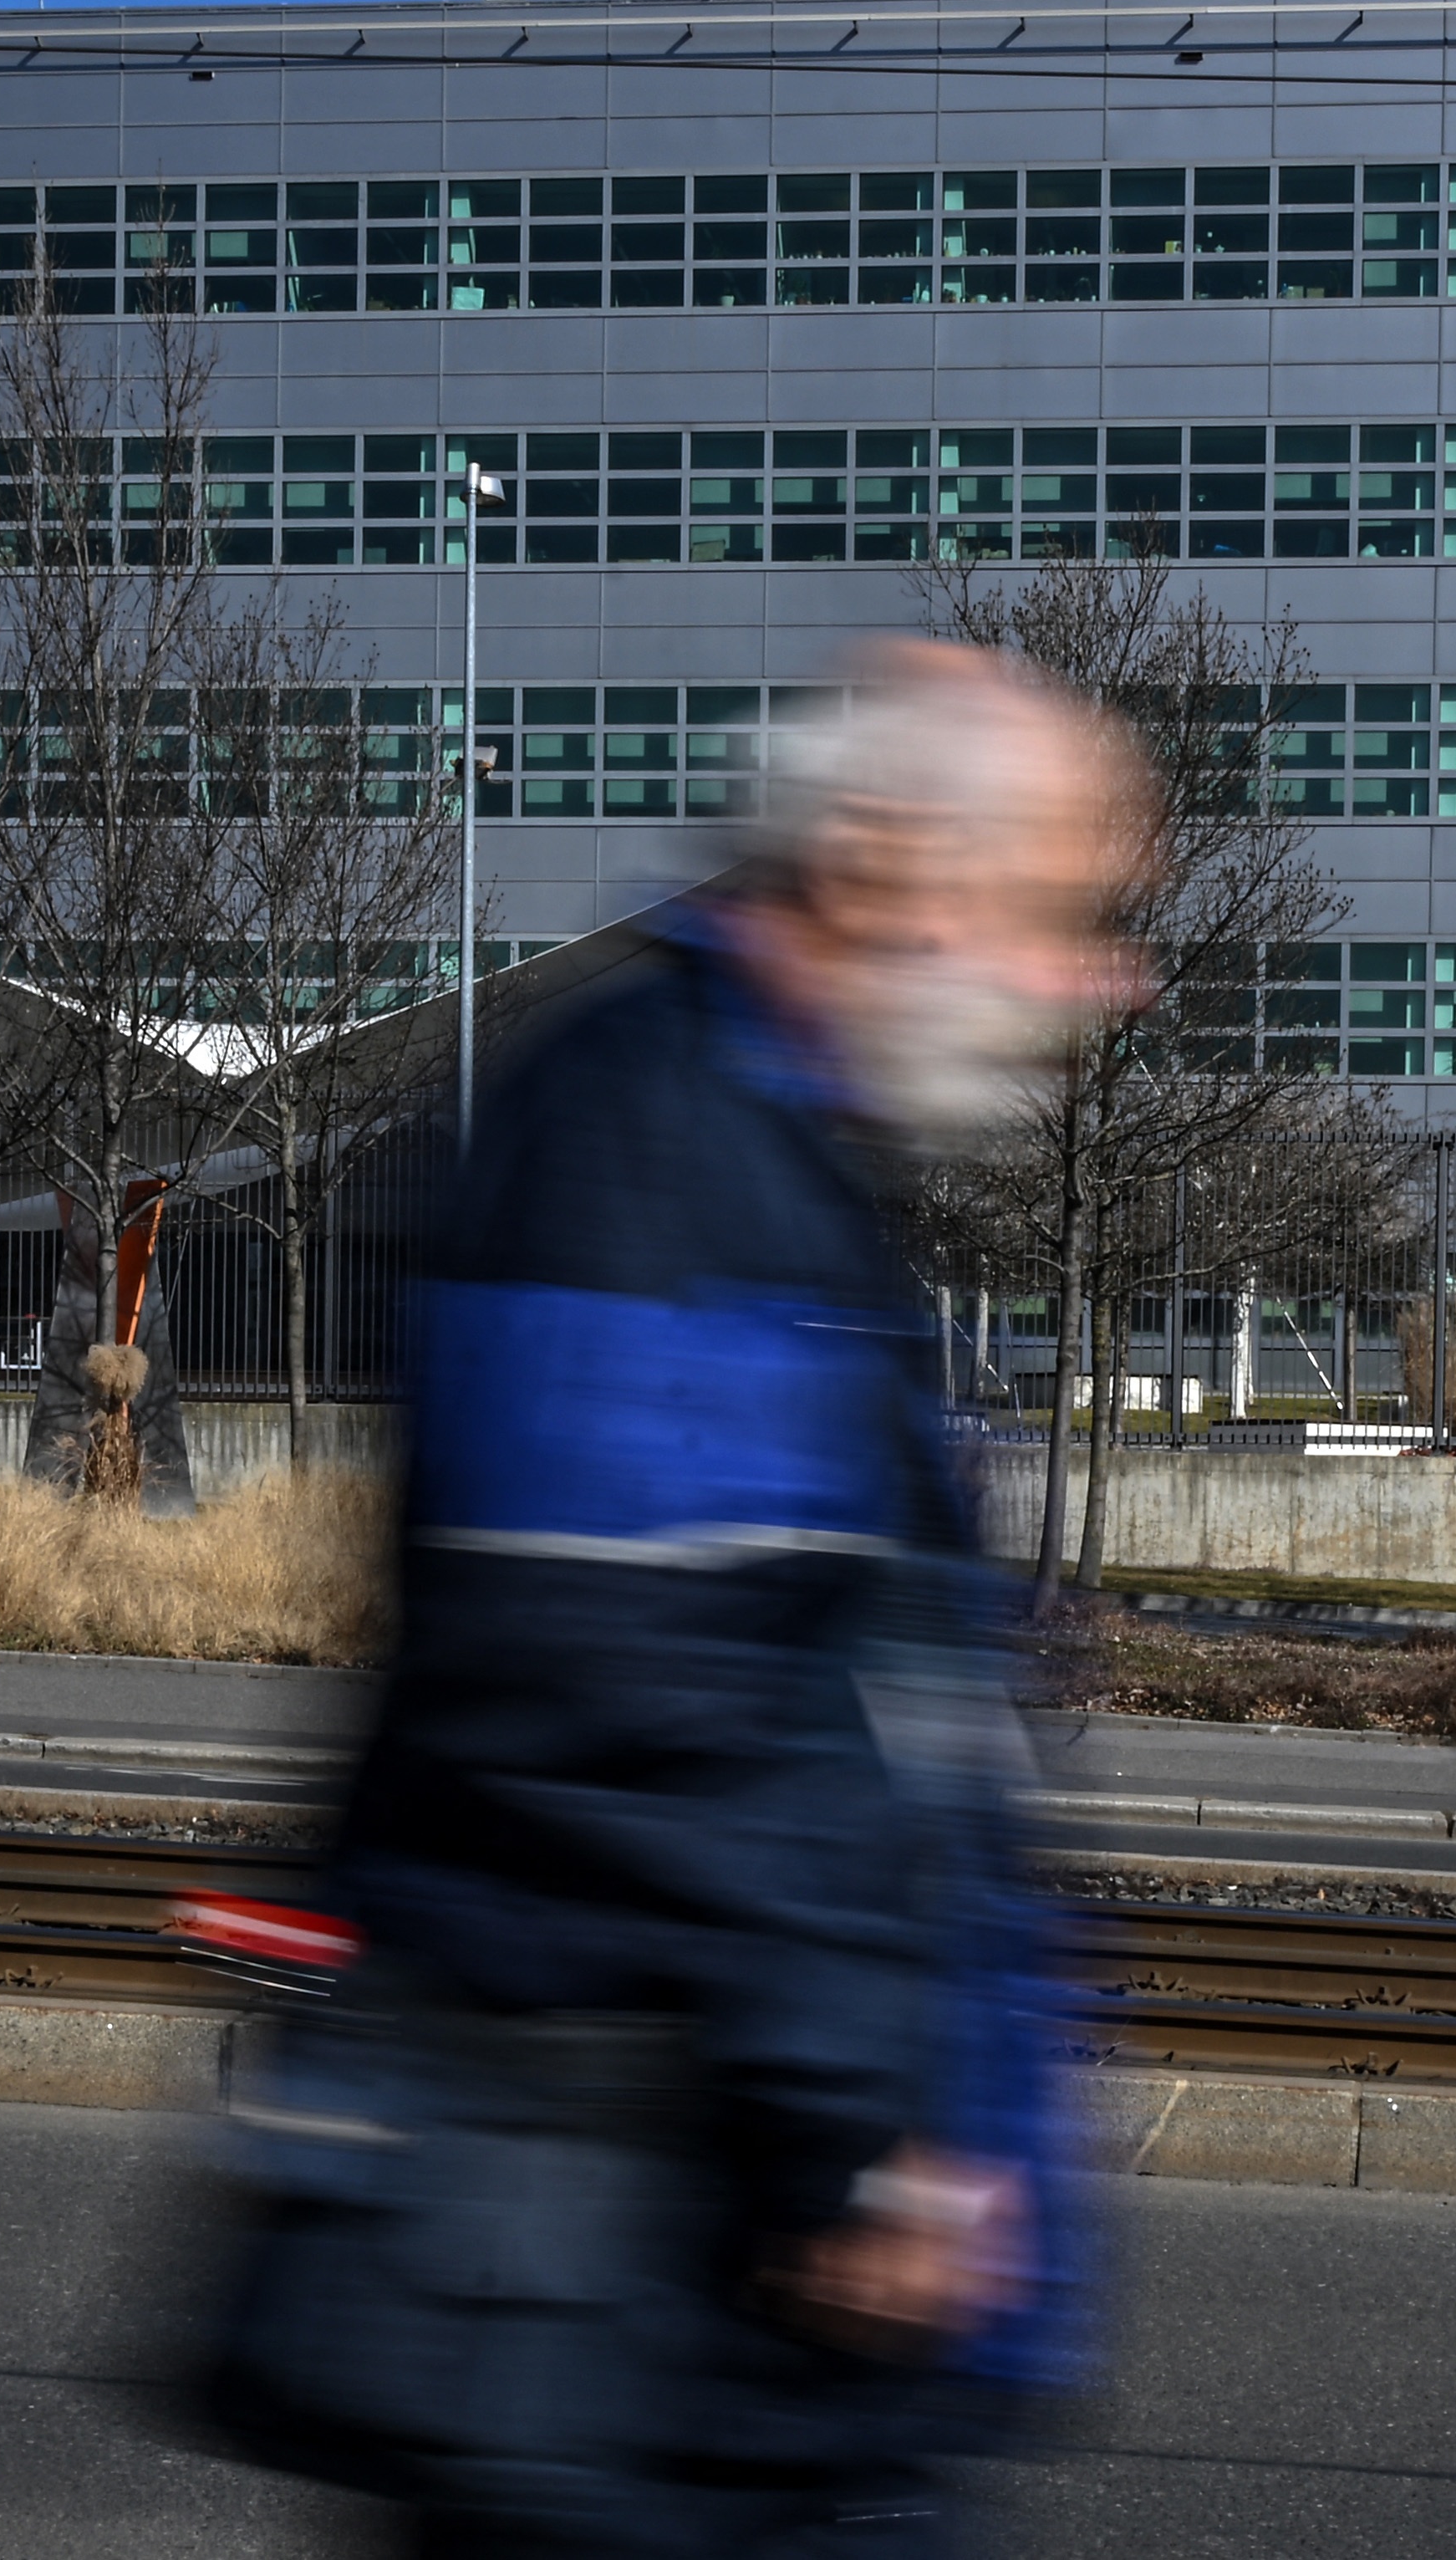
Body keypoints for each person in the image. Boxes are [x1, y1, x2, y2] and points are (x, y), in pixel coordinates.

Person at [284, 639, 1141, 2553]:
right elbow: (617, 1695)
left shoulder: (757, 1144)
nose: (1100, 980)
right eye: (1059, 913)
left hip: (720, 2278)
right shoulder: (646, 1145)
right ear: (883, 860)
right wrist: (847, 2137)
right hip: (660, 2278)